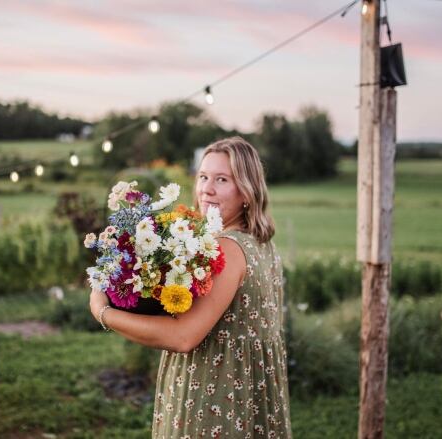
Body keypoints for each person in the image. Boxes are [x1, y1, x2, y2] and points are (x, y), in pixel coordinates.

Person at [90, 136, 292, 437]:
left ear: (247, 192)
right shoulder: (261, 244)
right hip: (249, 395)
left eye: (222, 179)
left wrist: (102, 311)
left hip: (216, 398)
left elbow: (184, 336)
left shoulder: (227, 248)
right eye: (203, 176)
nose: (206, 189)